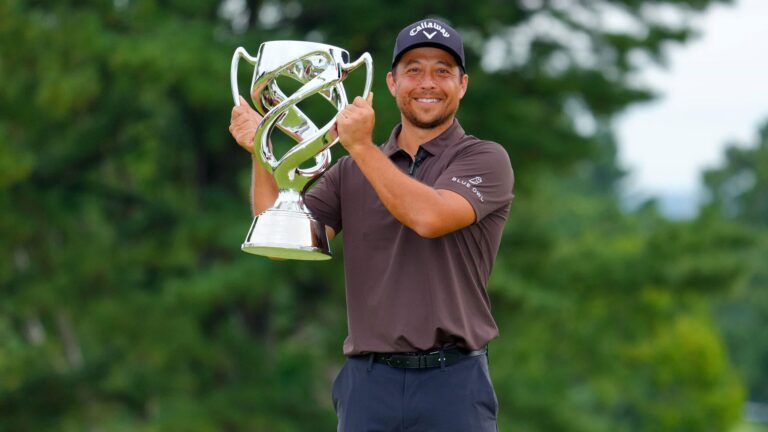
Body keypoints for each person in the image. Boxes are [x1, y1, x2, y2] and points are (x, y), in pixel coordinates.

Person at [230, 17, 514, 432]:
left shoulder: (484, 159)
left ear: (462, 84)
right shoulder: (349, 172)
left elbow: (428, 217)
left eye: (442, 71)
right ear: (392, 83)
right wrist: (262, 148)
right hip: (368, 385)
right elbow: (278, 242)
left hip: (453, 384)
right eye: (413, 70)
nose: (428, 83)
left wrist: (361, 146)